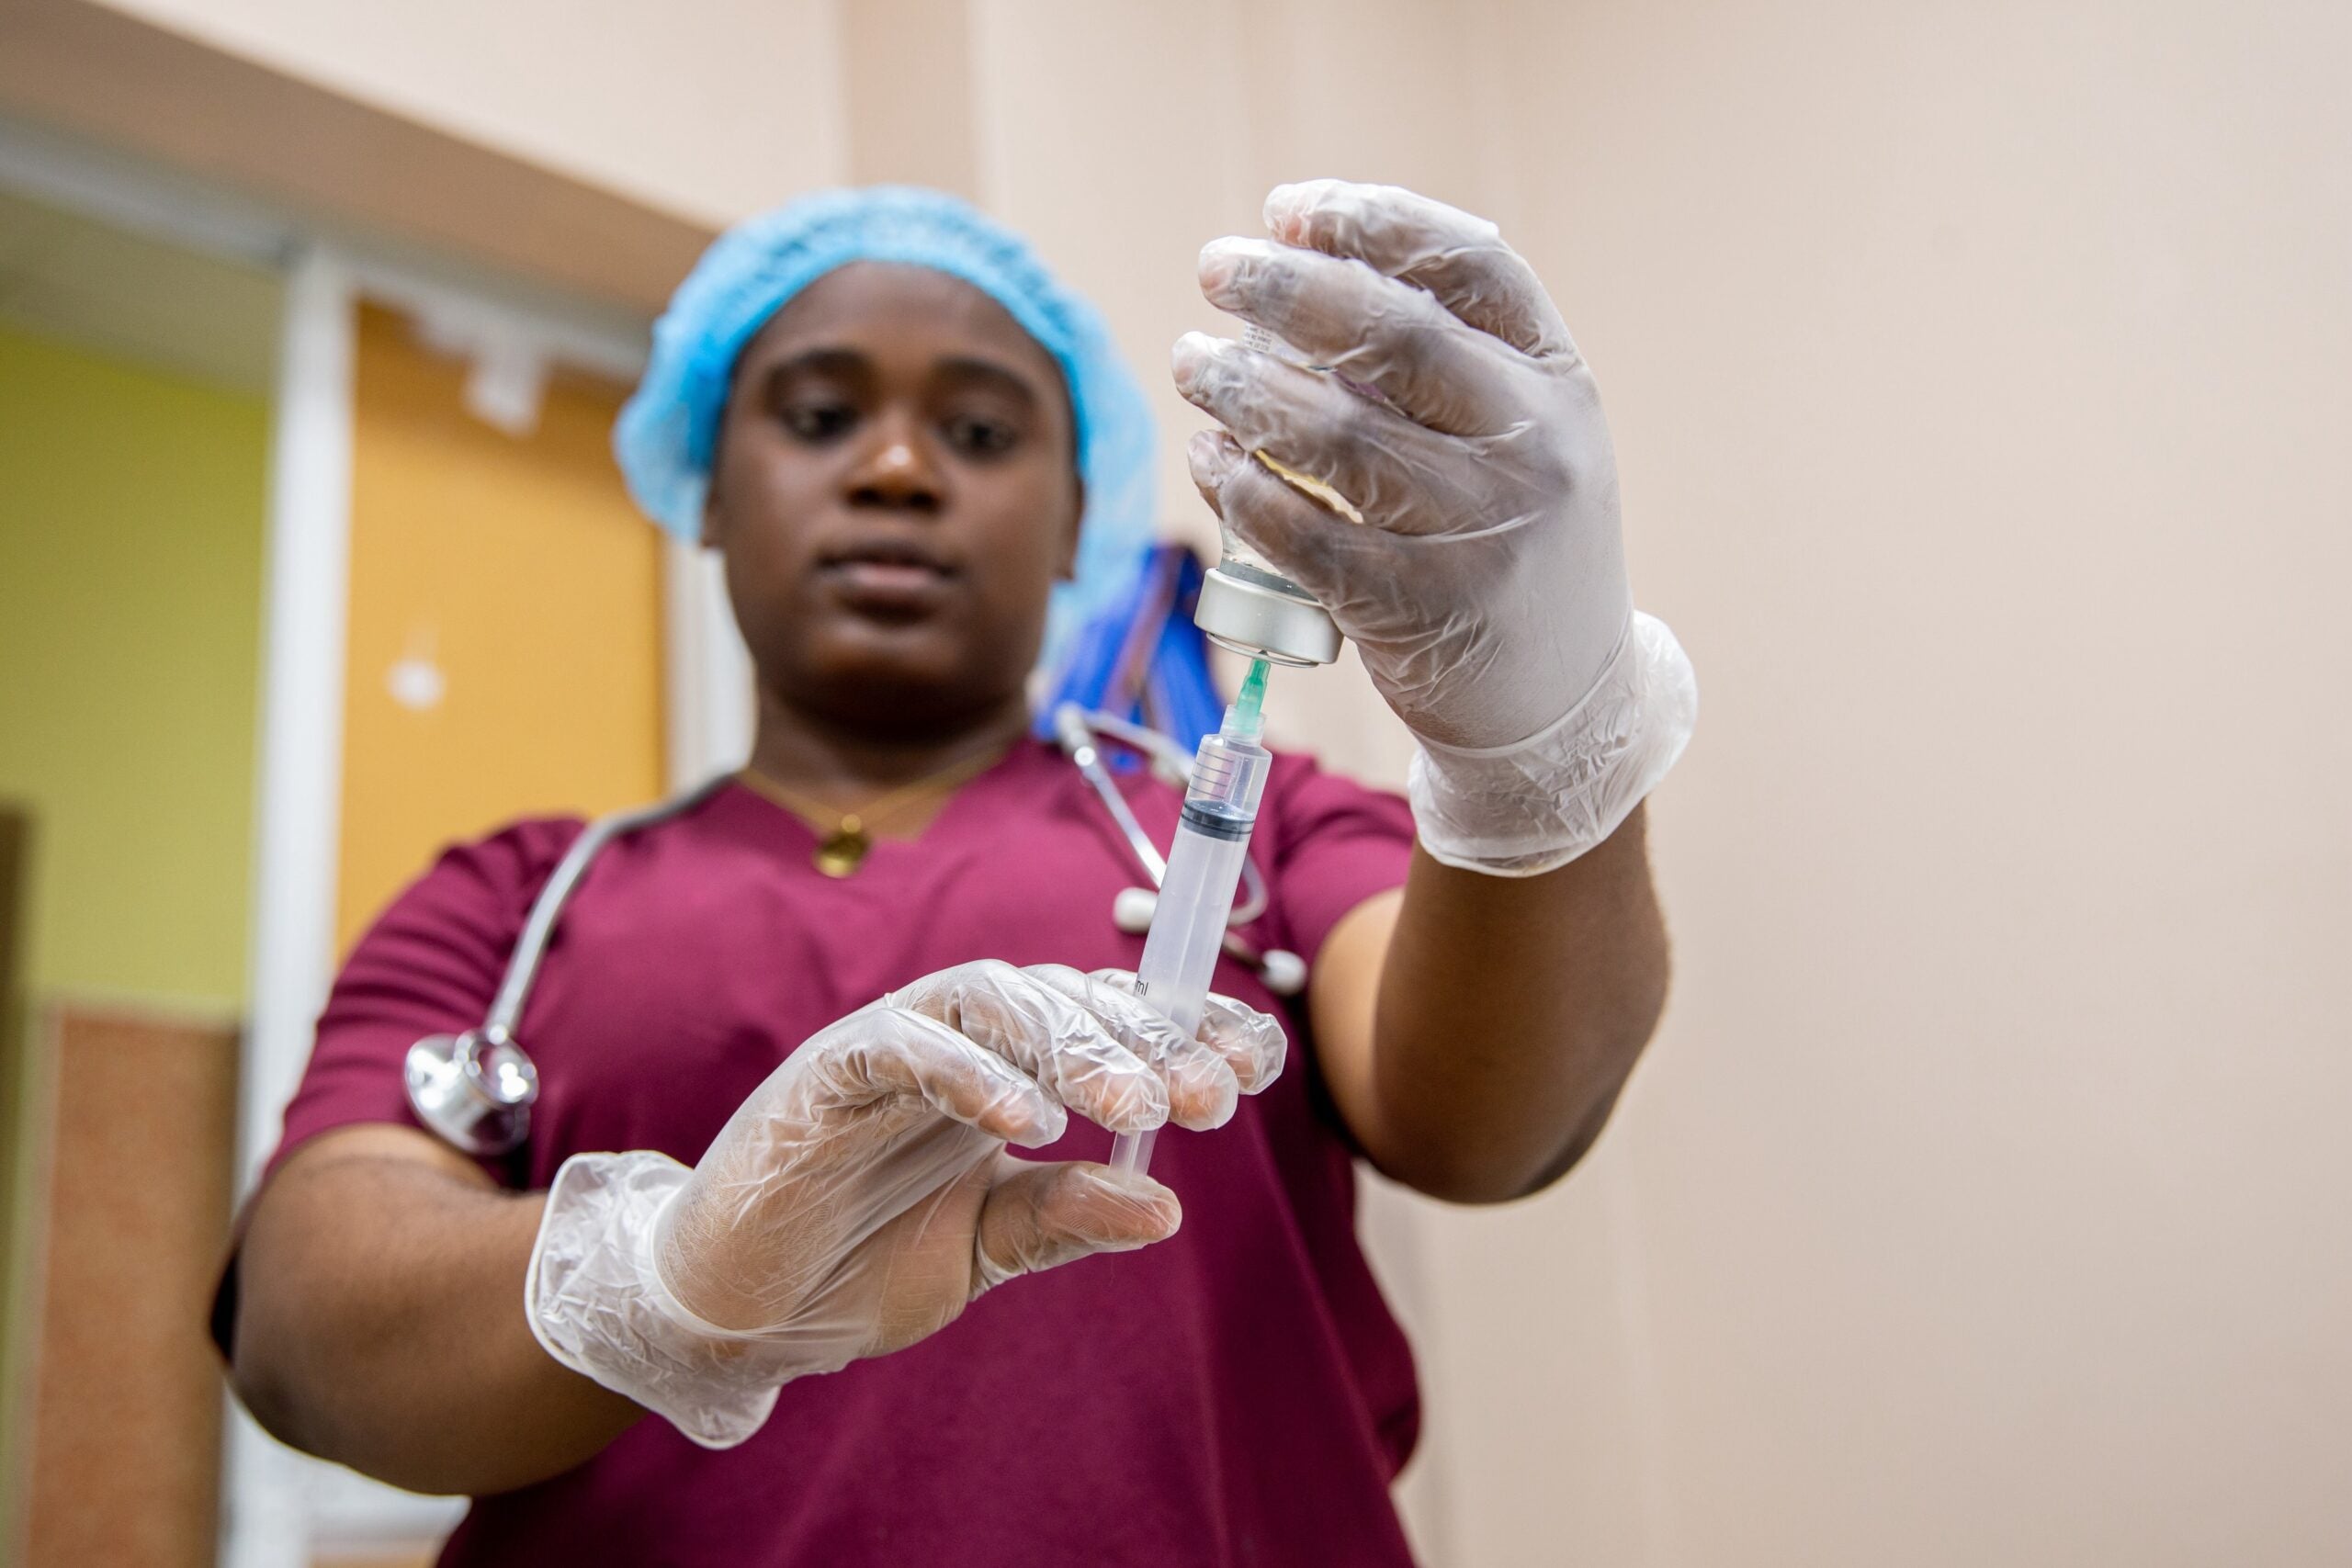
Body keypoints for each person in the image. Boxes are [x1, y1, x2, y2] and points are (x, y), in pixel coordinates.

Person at [217, 181, 1696, 1565]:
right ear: (710, 489)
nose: (899, 469)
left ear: (1073, 524)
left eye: (983, 436)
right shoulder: (522, 903)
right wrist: (672, 1278)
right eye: (816, 415)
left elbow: (1495, 1125)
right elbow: (305, 1332)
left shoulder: (1248, 826)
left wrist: (1538, 759)